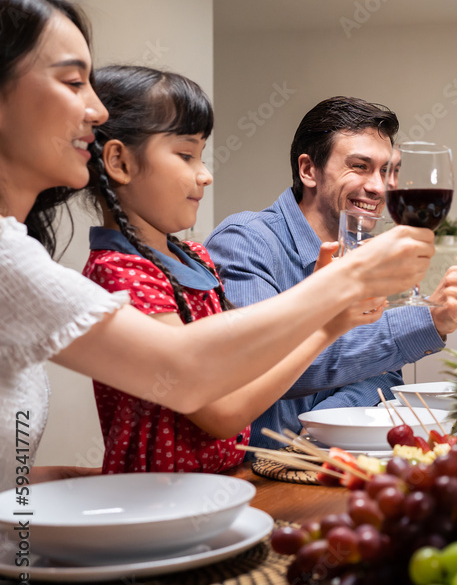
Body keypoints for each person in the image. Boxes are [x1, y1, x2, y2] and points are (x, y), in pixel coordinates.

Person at [0, 0, 432, 490]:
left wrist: (73, 484)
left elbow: (223, 390)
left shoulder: (177, 259)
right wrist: (344, 286)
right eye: (73, 83)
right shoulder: (119, 264)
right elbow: (192, 378)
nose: (95, 111)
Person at [82, 66, 385, 474]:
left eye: (202, 156)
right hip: (159, 511)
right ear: (118, 161)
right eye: (186, 155)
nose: (205, 174)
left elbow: (245, 361)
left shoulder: (194, 256)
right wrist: (325, 324)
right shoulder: (122, 275)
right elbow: (223, 411)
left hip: (226, 486)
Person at [206, 97, 457, 450]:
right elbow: (260, 367)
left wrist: (325, 424)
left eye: (385, 171)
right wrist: (430, 319)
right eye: (360, 166)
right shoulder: (247, 241)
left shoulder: (370, 250)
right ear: (308, 170)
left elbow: (381, 372)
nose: (379, 187)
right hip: (257, 475)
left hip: (330, 462)